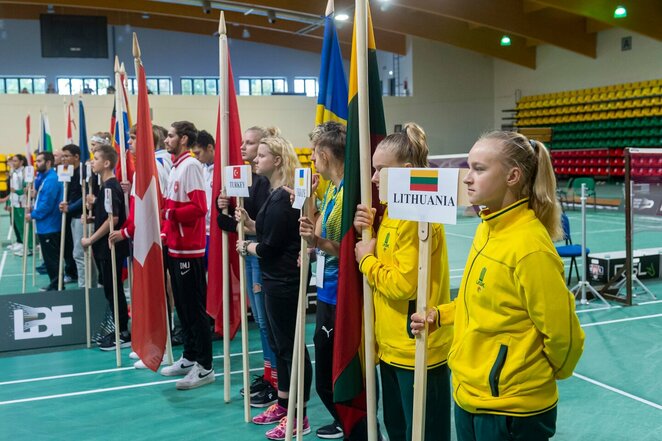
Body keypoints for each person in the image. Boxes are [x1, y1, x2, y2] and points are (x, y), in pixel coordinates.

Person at [411, 131, 585, 441]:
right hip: (469, 396)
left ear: (513, 176)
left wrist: (531, 376)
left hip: (513, 408)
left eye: (479, 168)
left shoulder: (530, 247)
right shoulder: (486, 230)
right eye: (469, 167)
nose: (467, 178)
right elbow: (474, 300)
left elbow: (564, 335)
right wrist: (441, 315)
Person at [353, 123, 453, 441]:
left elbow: (403, 285)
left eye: (380, 169)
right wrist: (369, 231)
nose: (373, 178)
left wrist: (365, 260)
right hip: (391, 347)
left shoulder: (416, 218)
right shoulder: (393, 212)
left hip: (418, 350)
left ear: (407, 171)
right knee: (397, 428)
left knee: (424, 432)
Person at [235, 134, 312, 439]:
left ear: (277, 160)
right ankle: (283, 403)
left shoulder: (283, 198)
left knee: (291, 348)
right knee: (281, 346)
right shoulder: (272, 192)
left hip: (283, 281)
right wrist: (250, 222)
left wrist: (247, 247)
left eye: (262, 155)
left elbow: (270, 247)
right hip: (272, 280)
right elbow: (268, 232)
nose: (255, 159)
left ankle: (299, 415)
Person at [216, 126, 276, 407]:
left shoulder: (266, 184)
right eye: (243, 143)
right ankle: (269, 375)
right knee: (262, 322)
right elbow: (230, 225)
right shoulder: (247, 180)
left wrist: (242, 223)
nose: (243, 148)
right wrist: (222, 208)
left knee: (267, 322)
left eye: (250, 144)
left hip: (262, 255)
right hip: (249, 253)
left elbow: (261, 228)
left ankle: (276, 381)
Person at [298, 122, 346, 439]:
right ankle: (344, 419)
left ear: (326, 155)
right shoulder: (330, 190)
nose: (312, 159)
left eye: (316, 153)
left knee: (332, 371)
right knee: (325, 370)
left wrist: (318, 245)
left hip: (339, 293)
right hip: (326, 290)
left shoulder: (345, 197)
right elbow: (315, 229)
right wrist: (310, 197)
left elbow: (346, 251)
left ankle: (350, 421)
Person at [158, 121, 214, 390]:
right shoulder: (177, 166)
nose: (166, 140)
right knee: (182, 306)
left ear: (183, 139)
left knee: (194, 309)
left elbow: (199, 207)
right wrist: (167, 232)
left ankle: (205, 366)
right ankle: (190, 356)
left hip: (189, 249)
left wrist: (171, 215)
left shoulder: (190, 165)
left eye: (170, 136)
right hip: (175, 246)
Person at [81, 144, 131, 351]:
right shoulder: (105, 186)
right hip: (103, 248)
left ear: (107, 162)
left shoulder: (110, 186)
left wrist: (91, 239)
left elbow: (115, 218)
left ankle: (123, 333)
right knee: (110, 290)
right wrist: (94, 216)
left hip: (109, 247)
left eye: (96, 158)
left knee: (114, 290)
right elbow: (107, 215)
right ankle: (119, 328)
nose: (93, 162)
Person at [26, 152, 63, 291]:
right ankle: (56, 283)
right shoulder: (45, 177)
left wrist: (33, 214)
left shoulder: (52, 180)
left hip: (50, 225)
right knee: (49, 258)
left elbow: (47, 204)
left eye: (40, 161)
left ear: (48, 163)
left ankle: (56, 285)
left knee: (52, 258)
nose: (37, 163)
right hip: (45, 225)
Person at [60, 145, 84, 287]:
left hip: (80, 216)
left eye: (67, 156)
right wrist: (64, 204)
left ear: (76, 157)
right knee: (72, 249)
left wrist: (70, 207)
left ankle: (84, 286)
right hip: (70, 216)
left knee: (80, 254)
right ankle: (72, 273)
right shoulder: (66, 172)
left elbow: (84, 195)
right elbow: (67, 194)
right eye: (63, 156)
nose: (64, 159)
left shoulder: (82, 171)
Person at [191, 129, 215, 262]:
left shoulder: (224, 169)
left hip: (216, 231)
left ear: (210, 148)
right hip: (201, 230)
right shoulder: (200, 169)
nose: (196, 157)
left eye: (198, 153)